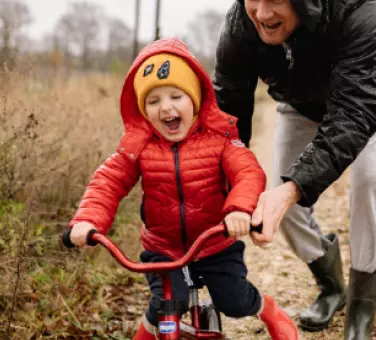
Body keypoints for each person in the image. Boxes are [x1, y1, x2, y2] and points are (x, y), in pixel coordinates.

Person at [64, 38, 298, 340]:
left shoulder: (220, 138)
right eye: (153, 101)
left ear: (196, 99)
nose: (166, 108)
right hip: (163, 247)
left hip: (215, 243)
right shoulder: (138, 146)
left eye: (177, 96)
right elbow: (107, 182)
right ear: (143, 109)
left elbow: (248, 173)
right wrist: (88, 221)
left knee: (235, 301)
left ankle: (269, 310)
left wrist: (239, 209)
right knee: (166, 305)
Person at [213, 1, 376, 338]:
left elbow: (355, 111)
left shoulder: (358, 8)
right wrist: (223, 186)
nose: (261, 13)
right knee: (283, 205)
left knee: (369, 181)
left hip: (371, 95)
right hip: (299, 103)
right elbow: (229, 113)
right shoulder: (239, 24)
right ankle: (332, 287)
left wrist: (294, 188)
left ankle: (361, 308)